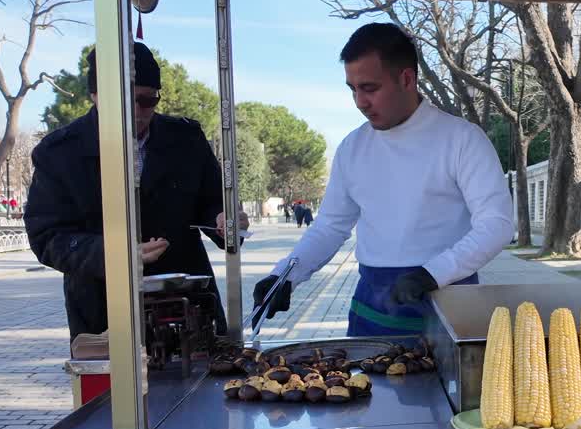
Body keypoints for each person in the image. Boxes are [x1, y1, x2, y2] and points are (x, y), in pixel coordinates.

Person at [254, 23, 514, 336]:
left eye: (370, 88)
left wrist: (431, 275)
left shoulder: (462, 139)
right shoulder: (352, 148)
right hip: (371, 309)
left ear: (406, 79)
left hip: (448, 304)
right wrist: (284, 275)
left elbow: (497, 225)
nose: (360, 102)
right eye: (352, 89)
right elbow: (330, 227)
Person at [25, 41, 248, 340]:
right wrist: (118, 254)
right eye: (124, 100)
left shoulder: (187, 138)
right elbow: (47, 237)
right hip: (102, 308)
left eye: (147, 100)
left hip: (188, 302)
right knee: (114, 389)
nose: (137, 111)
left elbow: (212, 202)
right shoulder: (58, 152)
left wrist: (224, 220)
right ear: (95, 96)